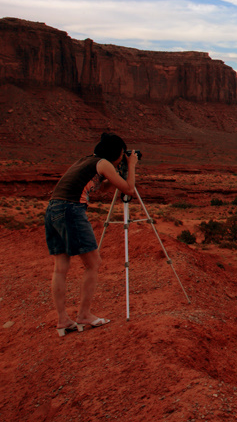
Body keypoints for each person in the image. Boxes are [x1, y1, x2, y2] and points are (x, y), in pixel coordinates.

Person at [45, 132, 137, 337]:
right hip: (71, 210)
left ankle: (63, 321)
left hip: (53, 210)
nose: (123, 158)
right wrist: (131, 166)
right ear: (118, 152)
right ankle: (84, 315)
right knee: (93, 263)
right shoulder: (104, 163)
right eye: (123, 154)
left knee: (60, 267)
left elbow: (101, 189)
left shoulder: (86, 161)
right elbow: (129, 189)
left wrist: (117, 175)